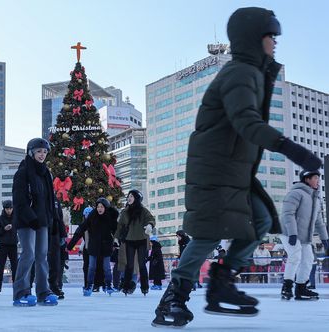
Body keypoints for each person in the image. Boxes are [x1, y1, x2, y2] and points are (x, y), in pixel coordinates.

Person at [152, 7, 323, 328]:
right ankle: (173, 298)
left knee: (258, 221)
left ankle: (222, 282)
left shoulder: (252, 72)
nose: (275, 42)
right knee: (206, 233)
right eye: (270, 36)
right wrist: (294, 151)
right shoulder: (240, 73)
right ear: (253, 39)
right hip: (214, 169)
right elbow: (246, 121)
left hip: (232, 171)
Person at [11, 138, 60, 307]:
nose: (42, 155)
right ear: (31, 152)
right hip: (27, 221)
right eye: (39, 151)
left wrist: (53, 220)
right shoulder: (23, 172)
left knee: (42, 257)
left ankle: (43, 292)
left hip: (43, 221)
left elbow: (50, 199)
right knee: (29, 254)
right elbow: (19, 200)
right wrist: (31, 218)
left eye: (45, 152)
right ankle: (21, 292)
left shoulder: (46, 173)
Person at [279, 170, 329, 300]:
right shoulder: (295, 193)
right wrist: (292, 233)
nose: (318, 180)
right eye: (315, 178)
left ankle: (301, 287)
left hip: (304, 236)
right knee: (295, 256)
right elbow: (287, 214)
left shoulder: (316, 198)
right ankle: (287, 287)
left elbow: (319, 221)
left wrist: (325, 239)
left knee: (308, 260)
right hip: (288, 232)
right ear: (307, 179)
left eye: (319, 178)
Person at [68, 197, 118, 296]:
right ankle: (89, 285)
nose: (99, 209)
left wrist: (117, 241)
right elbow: (81, 229)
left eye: (102, 207)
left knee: (107, 268)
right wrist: (71, 245)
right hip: (94, 247)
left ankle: (108, 285)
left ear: (106, 208)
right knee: (91, 267)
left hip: (106, 247)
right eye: (98, 206)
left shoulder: (110, 218)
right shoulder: (92, 216)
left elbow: (117, 230)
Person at [115, 189, 155, 296]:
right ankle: (126, 287)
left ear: (137, 198)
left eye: (131, 196)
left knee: (142, 265)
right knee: (129, 265)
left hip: (142, 240)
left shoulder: (143, 210)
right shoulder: (125, 211)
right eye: (128, 196)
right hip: (129, 240)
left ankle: (145, 287)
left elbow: (150, 219)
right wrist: (116, 238)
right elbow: (120, 226)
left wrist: (150, 225)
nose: (129, 198)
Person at [0, 200, 18, 295]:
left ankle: (16, 287)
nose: (9, 210)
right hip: (3, 245)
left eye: (11, 208)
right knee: (1, 266)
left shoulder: (16, 218)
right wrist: (3, 229)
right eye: (7, 208)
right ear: (4, 209)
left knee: (15, 267)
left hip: (13, 245)